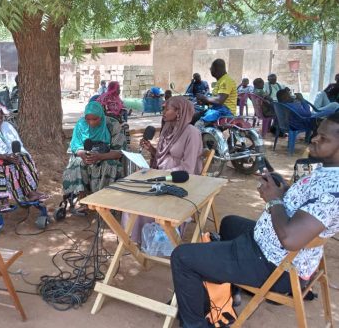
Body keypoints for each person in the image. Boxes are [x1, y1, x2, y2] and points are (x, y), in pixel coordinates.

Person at [170, 113, 339, 328]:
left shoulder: (333, 192)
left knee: (182, 257)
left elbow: (290, 239)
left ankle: (195, 325)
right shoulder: (327, 170)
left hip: (276, 264)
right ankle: (229, 286)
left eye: (323, 138)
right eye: (317, 134)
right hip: (276, 249)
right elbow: (305, 205)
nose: (314, 139)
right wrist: (283, 189)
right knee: (229, 223)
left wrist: (274, 200)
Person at [127, 97, 203, 243]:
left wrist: (164, 174)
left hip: (178, 181)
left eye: (166, 109)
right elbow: (162, 157)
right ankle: (136, 237)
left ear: (179, 112)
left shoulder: (192, 133)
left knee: (147, 204)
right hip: (159, 175)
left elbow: (188, 168)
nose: (162, 112)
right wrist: (152, 150)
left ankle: (154, 240)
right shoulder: (168, 129)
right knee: (134, 198)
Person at [0, 101, 47, 211]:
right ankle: (4, 200)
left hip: (8, 156)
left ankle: (30, 192)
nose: (0, 120)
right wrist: (4, 157)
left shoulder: (6, 127)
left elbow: (16, 143)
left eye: (1, 117)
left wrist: (14, 156)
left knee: (24, 158)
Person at [62, 101, 125, 212]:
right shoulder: (81, 124)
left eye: (95, 119)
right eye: (88, 119)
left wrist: (100, 156)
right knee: (77, 163)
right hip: (86, 156)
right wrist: (83, 154)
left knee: (109, 165)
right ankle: (84, 200)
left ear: (101, 116)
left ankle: (102, 201)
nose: (91, 123)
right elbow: (76, 146)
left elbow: (119, 152)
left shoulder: (112, 124)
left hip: (106, 156)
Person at [194, 59, 237, 129]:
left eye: (211, 68)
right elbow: (215, 100)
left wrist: (203, 98)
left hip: (224, 112)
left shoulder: (225, 81)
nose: (210, 70)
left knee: (198, 125)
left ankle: (196, 139)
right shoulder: (221, 80)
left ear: (217, 69)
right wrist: (205, 101)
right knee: (195, 116)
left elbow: (219, 100)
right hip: (218, 109)